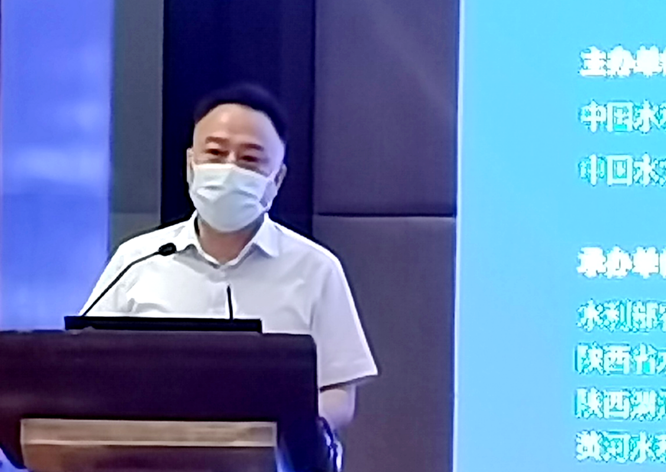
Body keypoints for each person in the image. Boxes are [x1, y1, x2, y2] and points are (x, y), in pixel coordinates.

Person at [81, 83, 378, 460]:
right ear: (191, 164)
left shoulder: (316, 268)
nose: (229, 169)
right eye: (216, 153)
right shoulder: (137, 259)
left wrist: (280, 431)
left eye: (250, 159)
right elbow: (84, 365)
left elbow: (339, 392)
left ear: (276, 180)